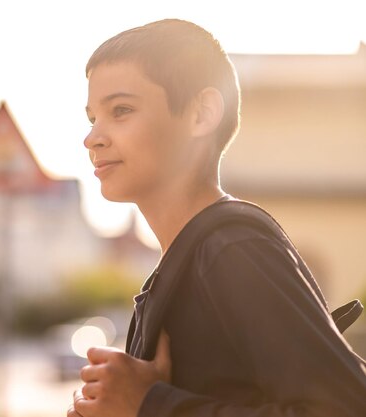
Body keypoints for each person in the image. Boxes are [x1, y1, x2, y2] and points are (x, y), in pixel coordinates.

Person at [68, 18, 366, 417]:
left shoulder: (232, 250)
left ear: (202, 113)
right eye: (92, 119)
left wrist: (148, 405)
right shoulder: (181, 266)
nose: (93, 138)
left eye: (121, 110)